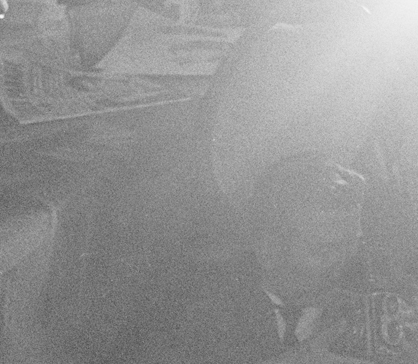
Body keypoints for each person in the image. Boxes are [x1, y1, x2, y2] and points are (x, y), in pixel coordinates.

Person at [151, 151, 381, 363]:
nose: (343, 262)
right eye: (323, 250)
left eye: (351, 245)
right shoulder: (198, 320)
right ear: (267, 248)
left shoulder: (375, 314)